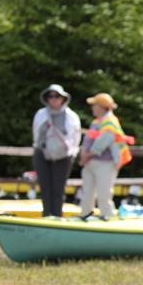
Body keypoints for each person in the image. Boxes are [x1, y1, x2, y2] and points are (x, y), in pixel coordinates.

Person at [78, 93, 133, 219]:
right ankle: (85, 213)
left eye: (95, 105)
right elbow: (89, 140)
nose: (92, 108)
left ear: (102, 107)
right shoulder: (97, 121)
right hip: (91, 163)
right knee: (87, 191)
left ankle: (107, 215)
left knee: (104, 192)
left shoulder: (110, 122)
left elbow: (101, 144)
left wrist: (85, 157)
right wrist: (85, 156)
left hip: (105, 163)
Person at [31, 84, 81, 217]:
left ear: (63, 98)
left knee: (58, 189)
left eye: (57, 96)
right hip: (42, 153)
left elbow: (75, 138)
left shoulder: (71, 116)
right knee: (45, 188)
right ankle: (46, 216)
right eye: (50, 96)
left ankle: (57, 217)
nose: (53, 99)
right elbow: (36, 135)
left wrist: (71, 153)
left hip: (64, 156)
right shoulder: (41, 114)